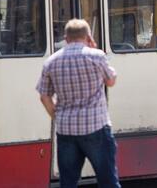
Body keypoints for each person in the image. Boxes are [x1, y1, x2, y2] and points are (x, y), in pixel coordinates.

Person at [36, 18, 120, 188]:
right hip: (96, 127)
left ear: (66, 38)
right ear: (88, 36)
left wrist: (57, 115)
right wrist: (94, 49)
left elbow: (44, 96)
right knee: (108, 180)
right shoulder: (96, 56)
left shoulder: (51, 62)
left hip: (66, 130)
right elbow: (110, 81)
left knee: (68, 183)